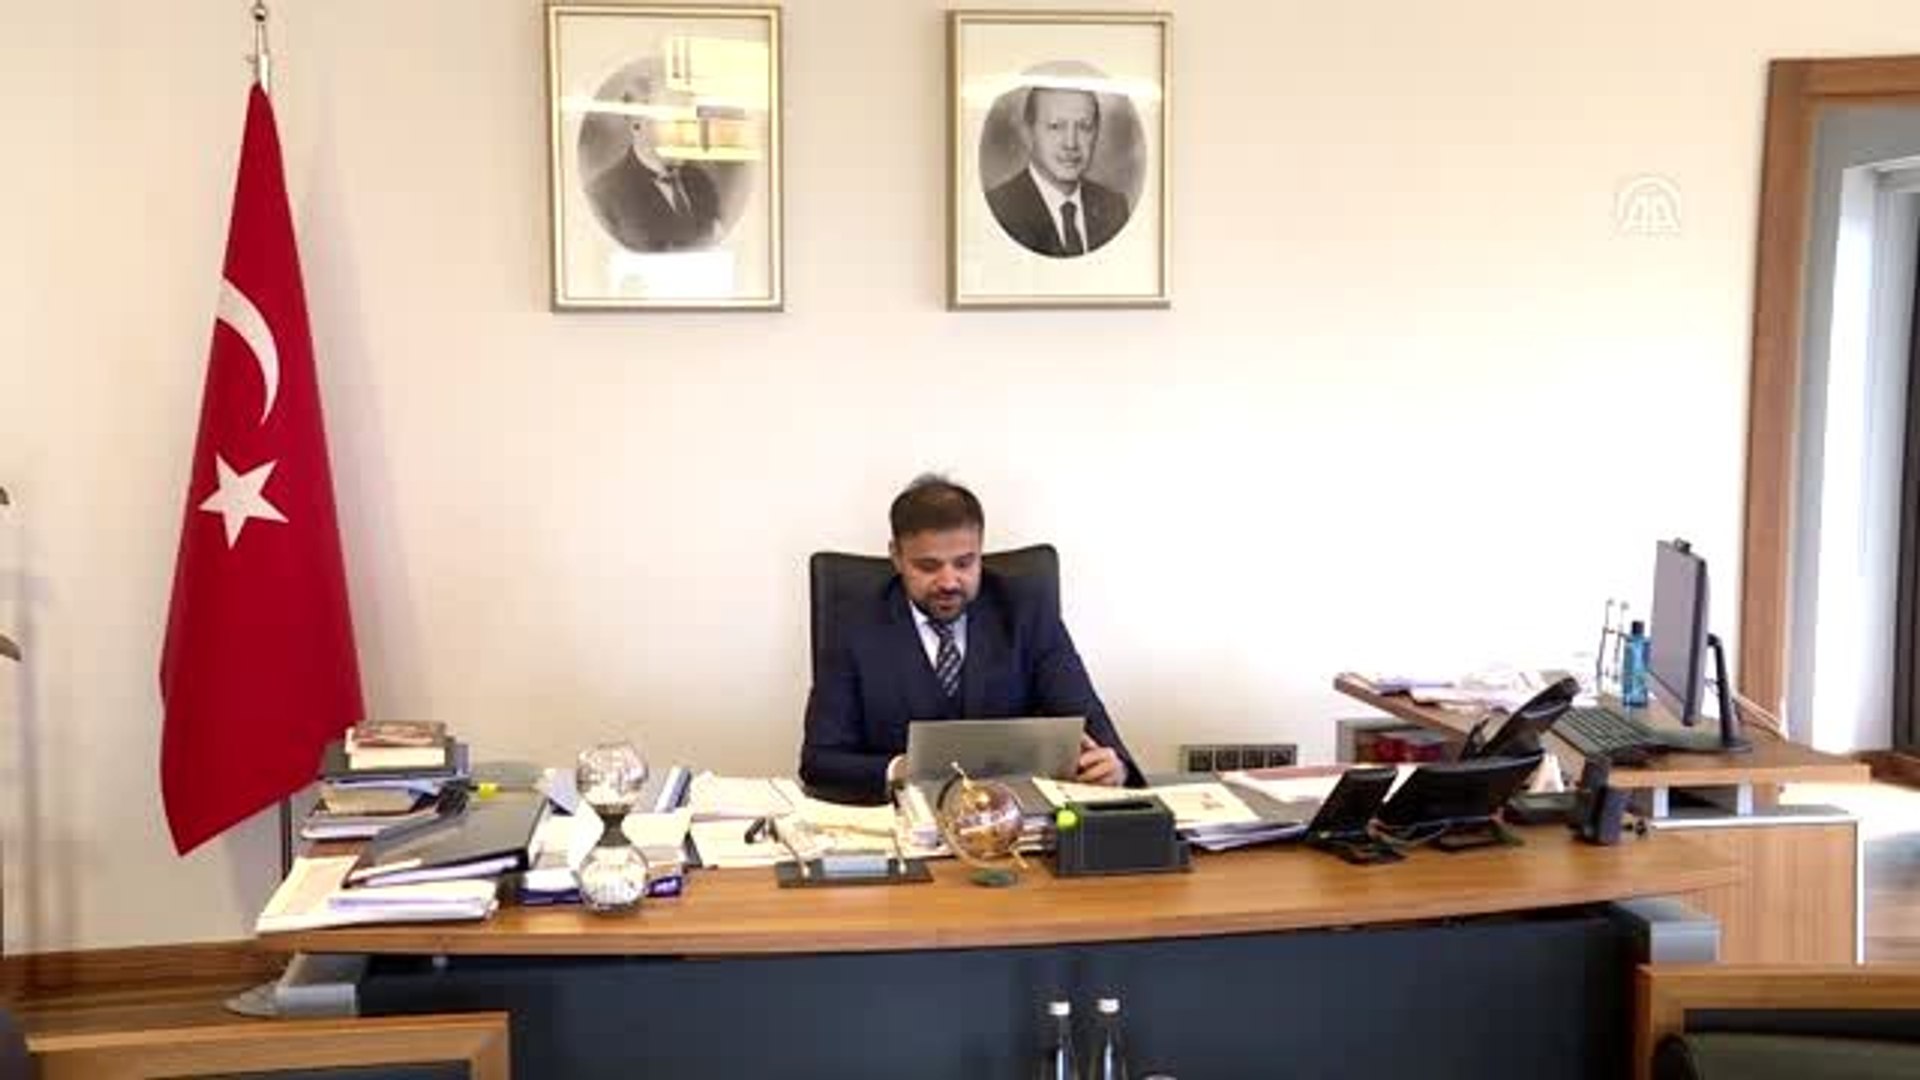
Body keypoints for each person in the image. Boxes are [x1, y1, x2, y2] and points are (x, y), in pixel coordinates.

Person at [800, 476, 1141, 804]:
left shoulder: (1025, 612)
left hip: (1012, 820)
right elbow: (820, 762)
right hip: (897, 822)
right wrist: (901, 769)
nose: (949, 582)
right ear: (897, 557)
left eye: (964, 563)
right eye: (928, 566)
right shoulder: (854, 626)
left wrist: (1115, 768)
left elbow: (1090, 724)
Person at [985, 86, 1132, 258]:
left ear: (1096, 133)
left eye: (1084, 127)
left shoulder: (1114, 208)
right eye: (1056, 127)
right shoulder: (1000, 209)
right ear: (1028, 134)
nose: (1071, 143)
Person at [584, 72, 722, 253]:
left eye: (691, 123)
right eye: (675, 121)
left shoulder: (702, 183)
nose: (689, 137)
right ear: (636, 121)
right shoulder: (602, 198)